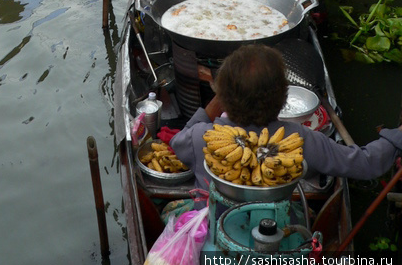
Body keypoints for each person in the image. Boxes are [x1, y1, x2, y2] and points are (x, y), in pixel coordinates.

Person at [170, 44, 402, 194]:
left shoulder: (202, 136)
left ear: (224, 98)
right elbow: (367, 163)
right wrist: (395, 137)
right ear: (283, 97)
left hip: (214, 230)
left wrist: (215, 101)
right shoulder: (301, 139)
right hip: (281, 233)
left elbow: (177, 143)